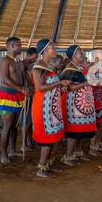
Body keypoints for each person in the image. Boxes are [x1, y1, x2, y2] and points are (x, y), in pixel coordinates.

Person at [31, 39, 70, 178]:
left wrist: (61, 86)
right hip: (43, 108)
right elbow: (40, 87)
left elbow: (51, 86)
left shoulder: (49, 67)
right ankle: (41, 169)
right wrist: (59, 82)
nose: (55, 50)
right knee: (47, 140)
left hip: (52, 107)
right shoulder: (38, 67)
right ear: (45, 51)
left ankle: (48, 165)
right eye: (53, 48)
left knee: (54, 137)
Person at [0, 37, 29, 165]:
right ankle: (3, 153)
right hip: (7, 96)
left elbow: (22, 77)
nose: (21, 47)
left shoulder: (18, 62)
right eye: (19, 45)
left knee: (15, 125)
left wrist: (24, 88)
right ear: (13, 46)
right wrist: (21, 89)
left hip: (18, 95)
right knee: (7, 126)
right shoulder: (4, 60)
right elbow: (5, 79)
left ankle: (12, 150)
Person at [60, 45, 97, 165]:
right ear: (73, 56)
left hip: (83, 104)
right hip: (73, 104)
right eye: (80, 52)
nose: (83, 54)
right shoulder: (69, 69)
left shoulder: (79, 67)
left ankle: (78, 152)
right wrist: (86, 82)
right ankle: (68, 156)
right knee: (74, 131)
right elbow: (69, 88)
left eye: (82, 52)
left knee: (81, 129)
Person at [19, 47, 38, 151]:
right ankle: (23, 144)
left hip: (32, 94)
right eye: (34, 57)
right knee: (26, 120)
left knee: (30, 120)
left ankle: (29, 142)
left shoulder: (32, 66)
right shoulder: (21, 65)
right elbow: (20, 81)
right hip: (25, 95)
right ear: (28, 55)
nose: (35, 60)